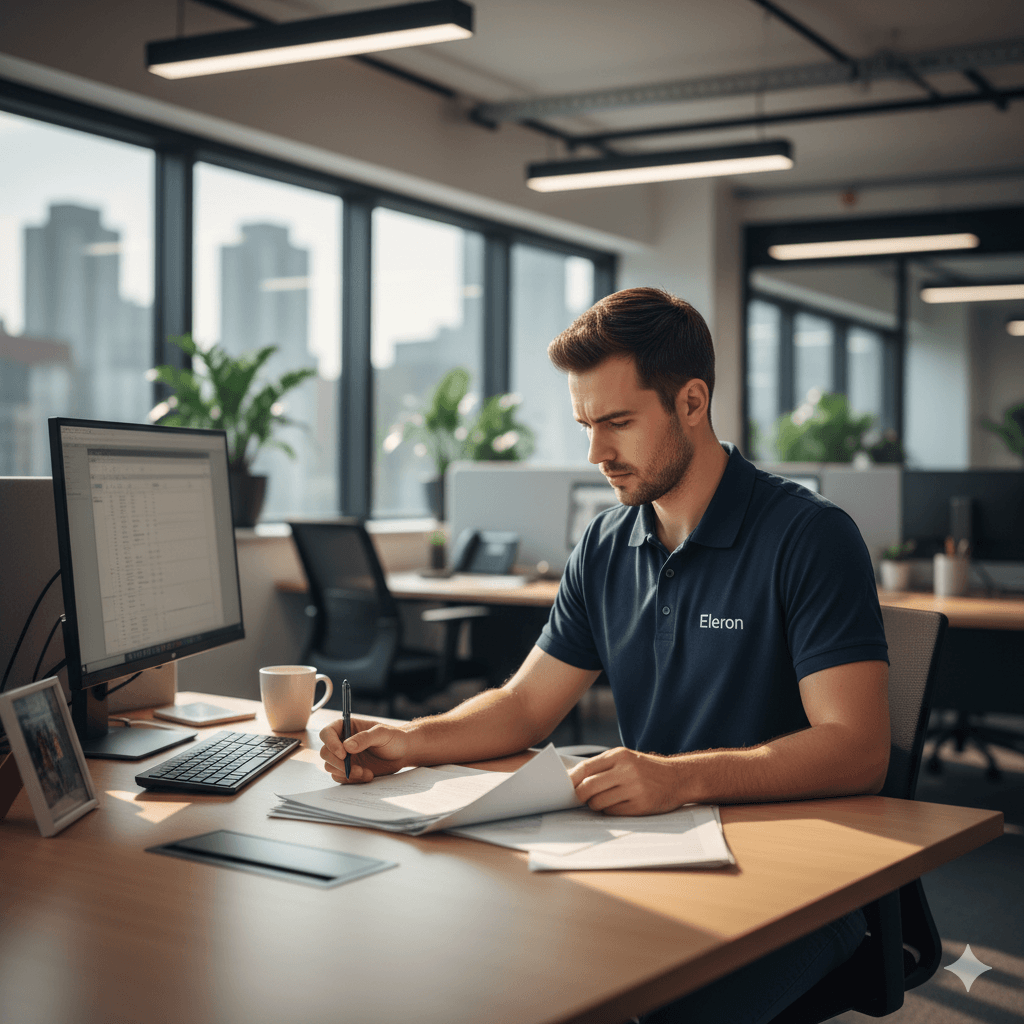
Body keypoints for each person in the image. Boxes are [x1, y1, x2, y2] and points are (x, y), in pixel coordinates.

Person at [320, 287, 890, 1024]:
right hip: (656, 851)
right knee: (484, 972)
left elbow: (857, 750)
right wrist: (408, 741)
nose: (596, 454)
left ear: (692, 402)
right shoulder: (605, 542)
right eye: (586, 424)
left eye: (618, 422)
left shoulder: (808, 537)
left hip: (804, 885)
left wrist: (675, 779)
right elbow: (527, 704)